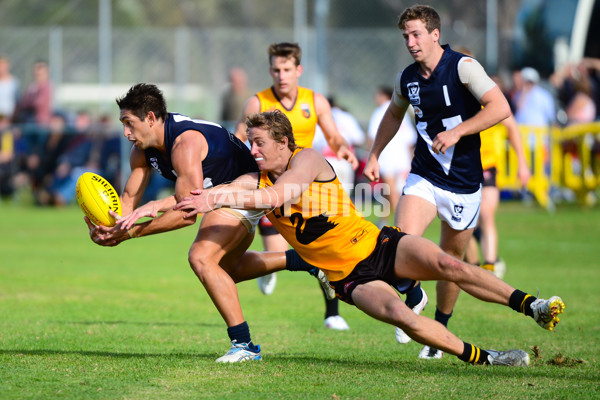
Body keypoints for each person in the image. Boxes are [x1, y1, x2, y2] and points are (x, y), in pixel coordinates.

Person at [174, 110, 565, 367]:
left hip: (380, 245)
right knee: (401, 316)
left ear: (282, 142)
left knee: (450, 264)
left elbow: (280, 196)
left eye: (258, 142)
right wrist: (139, 215)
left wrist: (217, 195)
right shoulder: (250, 180)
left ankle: (533, 306)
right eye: (249, 142)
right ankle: (488, 358)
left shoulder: (305, 159)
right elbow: (196, 197)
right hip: (350, 278)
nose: (251, 149)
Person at [85, 83, 329, 363]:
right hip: (220, 194)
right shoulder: (143, 150)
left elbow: (188, 213)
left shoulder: (184, 144)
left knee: (200, 258)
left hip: (245, 187)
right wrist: (108, 228)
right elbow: (127, 203)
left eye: (129, 123)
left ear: (150, 118)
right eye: (123, 124)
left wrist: (127, 235)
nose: (126, 133)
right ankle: (303, 261)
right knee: (228, 270)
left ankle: (243, 344)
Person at [363, 5, 514, 358]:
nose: (410, 42)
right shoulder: (407, 78)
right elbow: (394, 114)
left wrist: (458, 131)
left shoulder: (463, 67)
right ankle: (413, 294)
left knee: (452, 260)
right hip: (425, 175)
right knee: (400, 242)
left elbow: (500, 107)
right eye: (405, 37)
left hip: (464, 181)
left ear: (435, 35)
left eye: (416, 34)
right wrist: (374, 154)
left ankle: (440, 327)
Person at [234, 42, 358, 331]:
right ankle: (266, 266)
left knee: (321, 244)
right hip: (269, 179)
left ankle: (332, 313)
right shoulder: (257, 102)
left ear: (298, 70)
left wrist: (343, 149)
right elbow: (241, 134)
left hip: (305, 181)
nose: (281, 75)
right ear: (270, 70)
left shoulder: (315, 101)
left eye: (287, 69)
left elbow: (334, 136)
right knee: (282, 248)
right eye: (276, 69)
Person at [367, 86, 417, 228]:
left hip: (386, 157)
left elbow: (372, 137)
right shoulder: (403, 113)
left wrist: (372, 156)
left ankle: (399, 226)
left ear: (384, 96)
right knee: (395, 192)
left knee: (391, 192)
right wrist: (411, 158)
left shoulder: (380, 112)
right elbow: (410, 139)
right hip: (403, 158)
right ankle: (383, 222)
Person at [312, 96, 365, 195]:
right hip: (345, 159)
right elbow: (359, 138)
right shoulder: (346, 117)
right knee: (345, 194)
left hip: (326, 160)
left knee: (327, 195)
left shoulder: (318, 117)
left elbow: (314, 140)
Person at [220, 67, 252, 131]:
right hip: (229, 128)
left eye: (237, 80)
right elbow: (224, 115)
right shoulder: (227, 96)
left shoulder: (250, 97)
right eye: (232, 80)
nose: (234, 83)